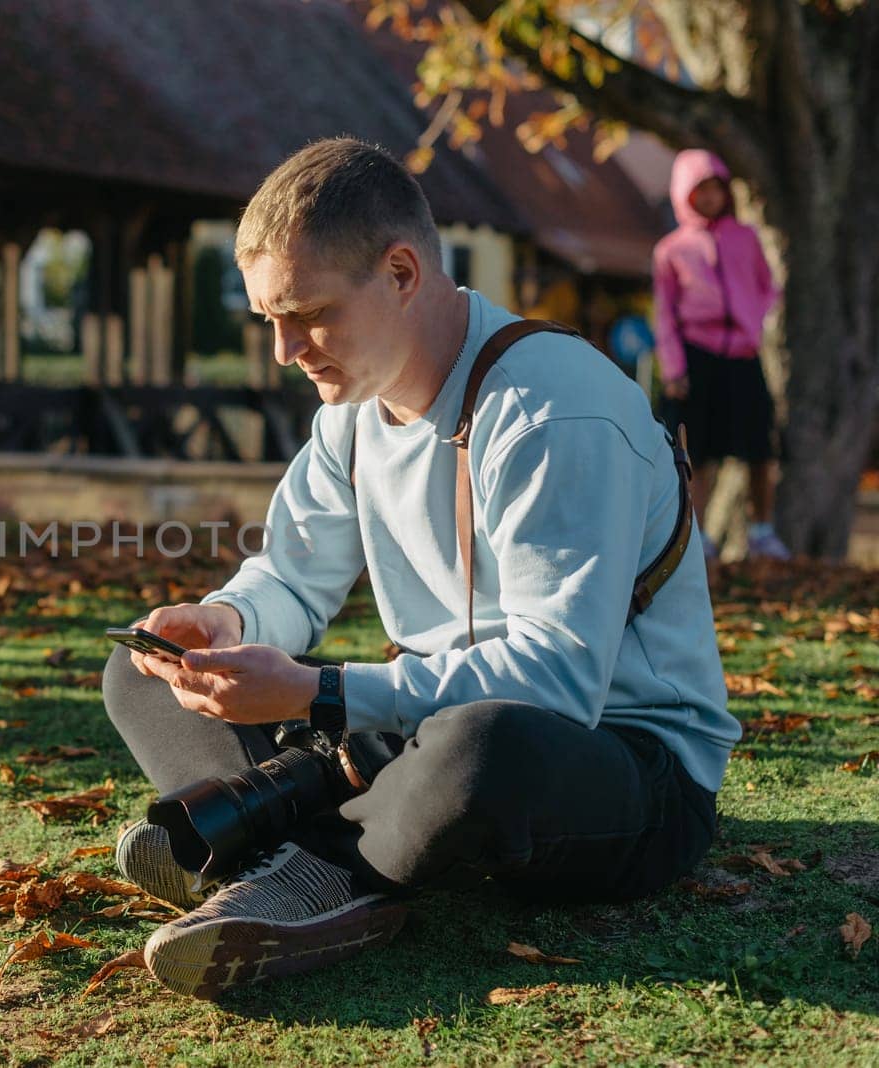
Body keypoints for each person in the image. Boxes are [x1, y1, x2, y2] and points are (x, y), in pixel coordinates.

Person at [101, 138, 737, 1000]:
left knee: (481, 746)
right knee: (142, 672)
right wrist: (227, 624)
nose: (285, 350)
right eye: (268, 321)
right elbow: (290, 578)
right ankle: (304, 836)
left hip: (619, 764)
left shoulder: (552, 411)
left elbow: (558, 683)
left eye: (308, 313)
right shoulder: (354, 412)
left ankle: (317, 871)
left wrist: (319, 695)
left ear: (401, 272)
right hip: (409, 736)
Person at [653, 149, 789, 560]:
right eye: (700, 191)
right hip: (698, 356)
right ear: (684, 195)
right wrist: (674, 368)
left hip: (743, 354)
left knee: (760, 448)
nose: (710, 198)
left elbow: (769, 285)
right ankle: (697, 536)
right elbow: (664, 315)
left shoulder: (745, 238)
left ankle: (762, 531)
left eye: (716, 189)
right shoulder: (671, 250)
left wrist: (755, 317)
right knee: (700, 453)